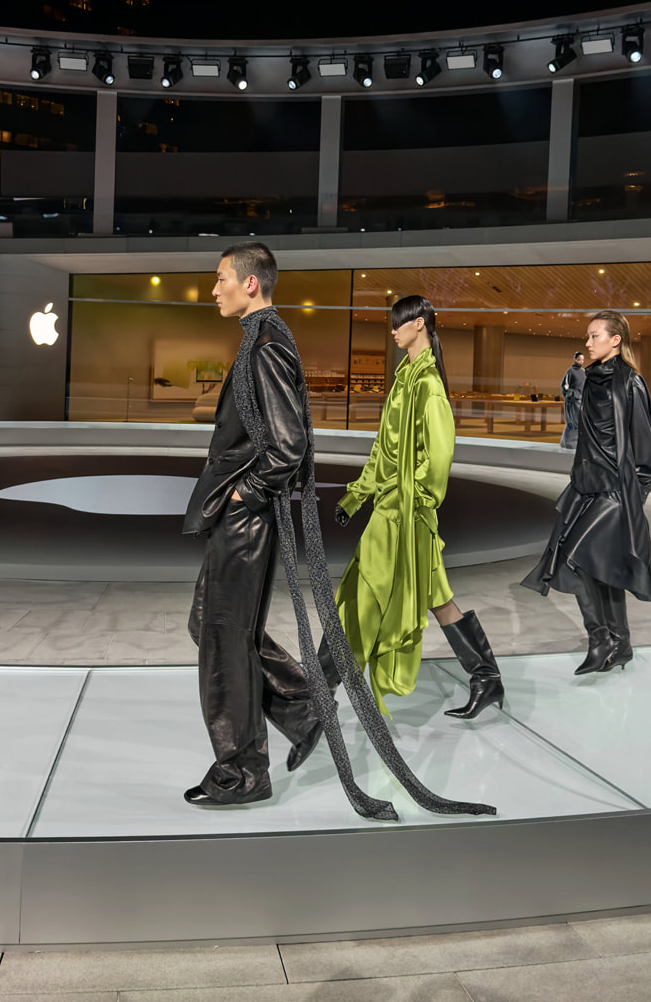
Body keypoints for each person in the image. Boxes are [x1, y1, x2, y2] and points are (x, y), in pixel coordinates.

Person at [181, 242, 322, 807]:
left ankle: (242, 772)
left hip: (244, 517)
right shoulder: (263, 338)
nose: (213, 289)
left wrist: (248, 491)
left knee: (222, 639)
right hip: (242, 517)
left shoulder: (264, 345)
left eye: (220, 279)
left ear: (251, 285)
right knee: (210, 626)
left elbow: (289, 445)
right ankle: (301, 705)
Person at [331, 295, 504, 719]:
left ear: (421, 324)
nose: (393, 330)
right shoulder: (404, 378)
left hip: (406, 513)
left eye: (400, 323)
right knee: (435, 596)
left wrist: (411, 498)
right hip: (396, 509)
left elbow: (439, 455)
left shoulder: (427, 384)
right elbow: (383, 450)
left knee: (363, 590)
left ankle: (323, 684)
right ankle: (487, 678)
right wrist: (356, 496)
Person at [522, 309, 651, 674]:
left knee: (576, 557)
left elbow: (645, 448)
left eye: (594, 336)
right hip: (584, 488)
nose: (587, 343)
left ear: (615, 340)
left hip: (615, 495)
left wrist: (633, 500)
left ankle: (600, 639)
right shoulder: (590, 380)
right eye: (587, 337)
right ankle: (621, 644)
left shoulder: (630, 383)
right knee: (597, 565)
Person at [560, 351, 586, 450]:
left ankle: (569, 441)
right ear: (574, 359)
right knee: (573, 421)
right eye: (579, 360)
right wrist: (570, 396)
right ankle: (570, 442)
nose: (581, 362)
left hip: (580, 399)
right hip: (572, 400)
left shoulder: (583, 371)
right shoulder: (570, 372)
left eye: (583, 360)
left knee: (579, 421)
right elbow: (564, 386)